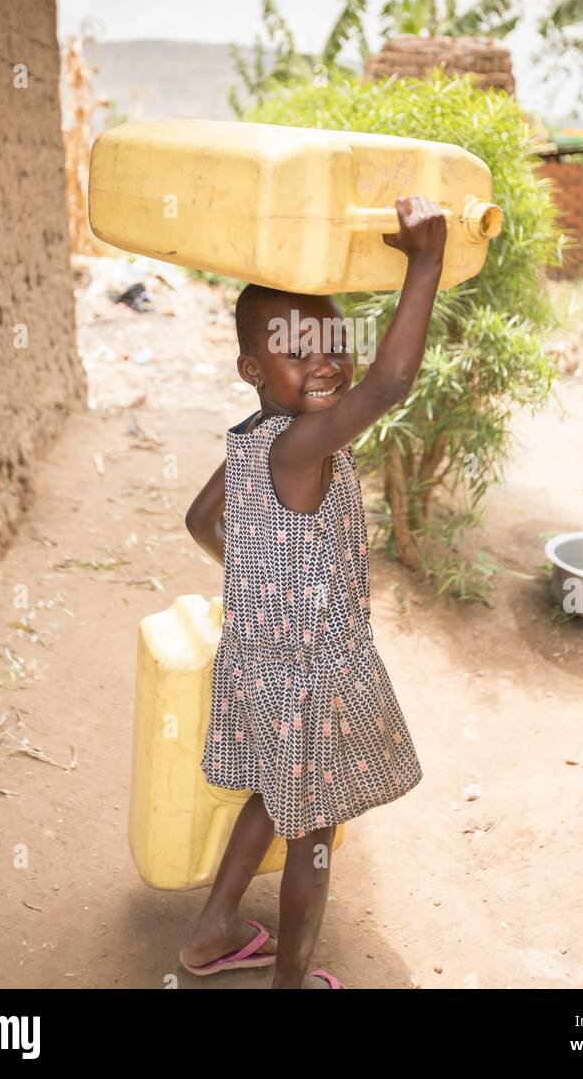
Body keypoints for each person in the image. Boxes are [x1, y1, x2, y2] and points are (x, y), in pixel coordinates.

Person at [181, 195, 446, 989]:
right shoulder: (302, 444)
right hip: (309, 677)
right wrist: (425, 263)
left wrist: (264, 589)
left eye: (334, 340)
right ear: (253, 370)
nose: (326, 360)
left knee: (274, 789)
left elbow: (201, 520)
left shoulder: (254, 437)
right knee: (315, 839)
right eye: (298, 350)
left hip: (260, 663)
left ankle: (213, 932)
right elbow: (392, 381)